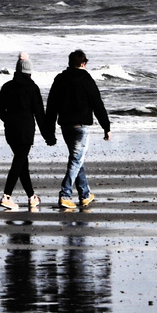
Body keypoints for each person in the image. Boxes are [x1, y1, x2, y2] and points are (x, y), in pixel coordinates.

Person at [46, 48, 110, 210]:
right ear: (83, 63)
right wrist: (106, 126)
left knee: (77, 159)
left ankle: (85, 194)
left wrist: (50, 132)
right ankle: (65, 194)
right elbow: (97, 104)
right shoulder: (86, 78)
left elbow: (51, 106)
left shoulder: (60, 79)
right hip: (80, 126)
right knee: (76, 159)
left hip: (65, 125)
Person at [0, 53, 51, 212]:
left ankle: (32, 197)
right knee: (19, 161)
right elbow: (40, 115)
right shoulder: (32, 88)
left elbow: (0, 110)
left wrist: (9, 120)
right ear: (29, 72)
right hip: (26, 130)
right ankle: (6, 196)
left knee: (22, 163)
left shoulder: (6, 87)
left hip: (10, 130)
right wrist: (48, 136)